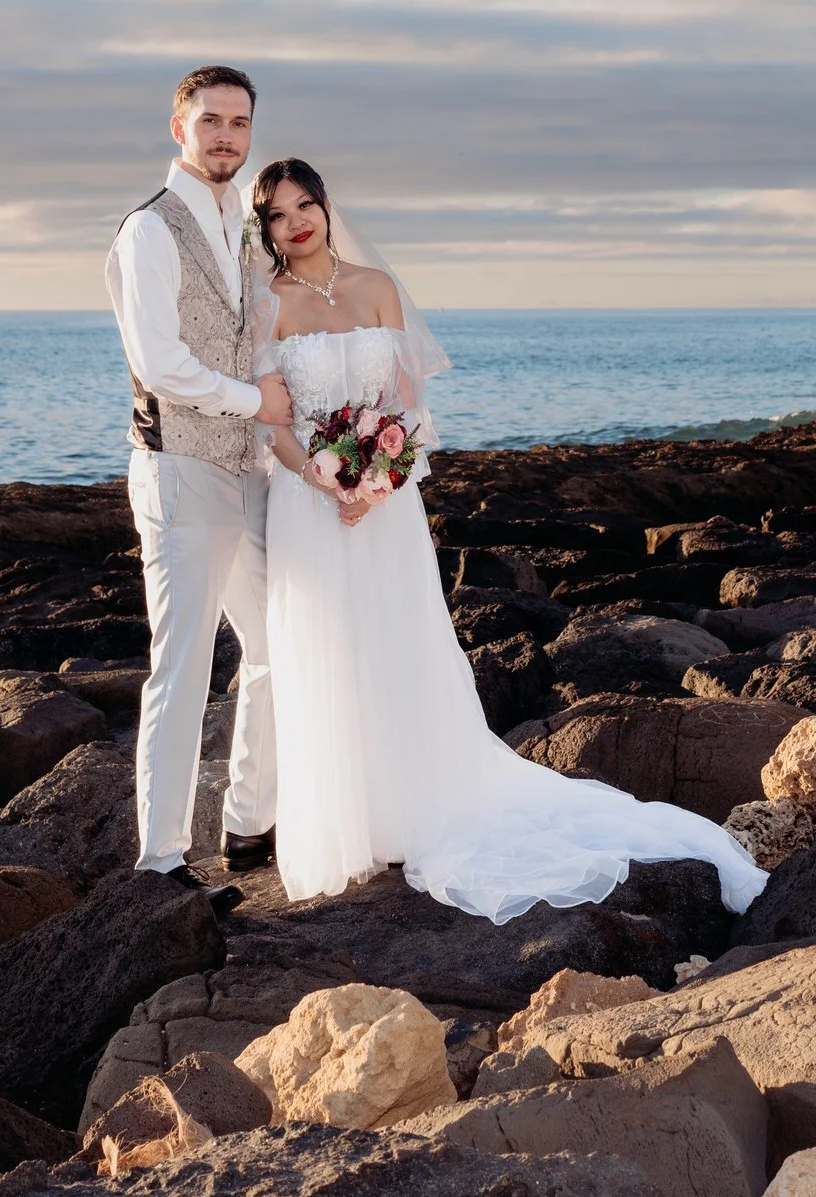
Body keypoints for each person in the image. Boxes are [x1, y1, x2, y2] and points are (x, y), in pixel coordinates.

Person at [246, 157, 769, 922]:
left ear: (327, 208)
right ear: (266, 231)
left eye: (305, 204)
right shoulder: (269, 305)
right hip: (309, 506)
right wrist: (326, 481)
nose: (296, 221)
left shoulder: (377, 287)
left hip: (385, 507)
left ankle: (410, 805)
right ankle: (349, 823)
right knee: (327, 650)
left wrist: (379, 479)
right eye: (277, 214)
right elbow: (274, 424)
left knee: (397, 644)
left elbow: (409, 410)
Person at [103, 66, 293, 913]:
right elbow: (160, 363)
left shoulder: (244, 228)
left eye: (239, 124)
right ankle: (159, 863)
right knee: (180, 665)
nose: (226, 136)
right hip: (180, 467)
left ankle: (249, 824)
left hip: (252, 469)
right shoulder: (149, 231)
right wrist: (256, 402)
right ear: (177, 127)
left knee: (275, 647)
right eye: (211, 121)